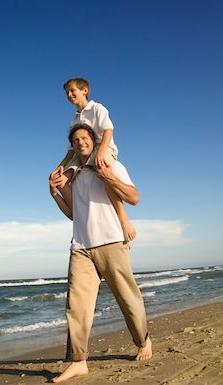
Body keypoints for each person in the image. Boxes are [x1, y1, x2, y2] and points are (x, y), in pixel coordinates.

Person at [49, 123, 152, 383]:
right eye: (76, 140)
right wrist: (55, 195)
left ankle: (143, 340)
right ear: (72, 147)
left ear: (94, 141)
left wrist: (109, 177)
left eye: (85, 138)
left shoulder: (111, 165)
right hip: (81, 247)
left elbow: (134, 197)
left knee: (128, 299)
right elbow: (74, 213)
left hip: (112, 243)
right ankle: (78, 361)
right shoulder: (75, 176)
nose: (81, 142)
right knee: (77, 306)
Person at [50, 77, 136, 242]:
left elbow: (108, 131)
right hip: (81, 153)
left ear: (84, 91)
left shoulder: (97, 108)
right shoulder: (74, 119)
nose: (69, 94)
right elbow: (70, 149)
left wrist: (101, 153)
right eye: (66, 92)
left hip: (103, 147)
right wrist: (59, 167)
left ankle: (123, 219)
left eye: (72, 90)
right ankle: (79, 216)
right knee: (59, 180)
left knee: (103, 173)